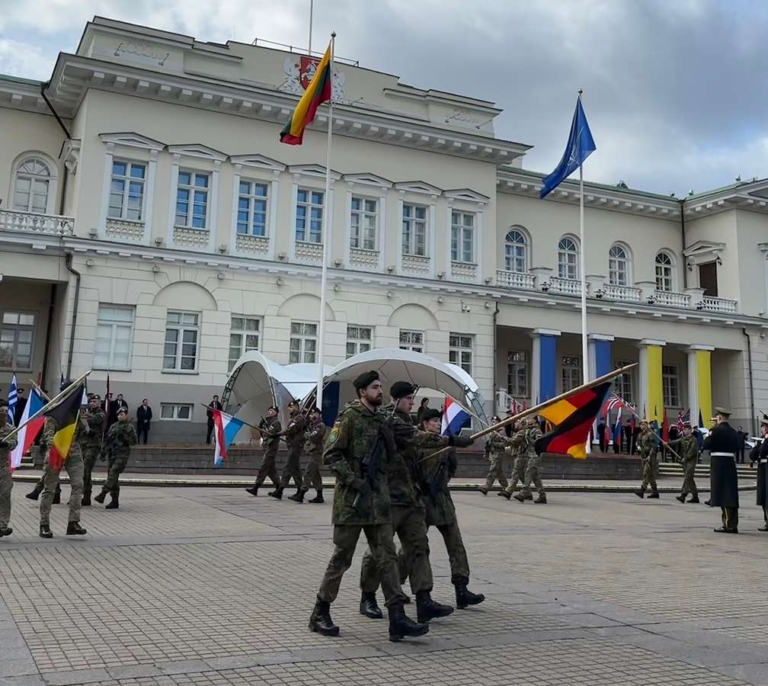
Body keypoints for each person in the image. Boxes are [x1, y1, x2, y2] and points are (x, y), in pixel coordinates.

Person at [310, 370, 428, 642]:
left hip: (379, 502)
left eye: (380, 386)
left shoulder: (382, 420)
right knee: (342, 558)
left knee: (386, 559)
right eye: (375, 387)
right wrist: (353, 480)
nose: (380, 391)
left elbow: (399, 448)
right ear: (362, 391)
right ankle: (320, 612)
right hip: (352, 503)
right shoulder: (348, 417)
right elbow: (331, 454)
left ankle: (397, 617)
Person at [359, 381, 464, 624]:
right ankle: (368, 596)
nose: (412, 402)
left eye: (412, 398)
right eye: (408, 399)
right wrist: (450, 441)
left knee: (419, 547)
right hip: (388, 497)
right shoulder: (386, 419)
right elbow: (417, 438)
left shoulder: (404, 420)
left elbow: (416, 451)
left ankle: (423, 600)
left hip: (411, 496)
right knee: (379, 552)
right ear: (395, 400)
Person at [417, 408, 485, 609]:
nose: (438, 424)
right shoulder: (419, 444)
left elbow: (451, 469)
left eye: (439, 421)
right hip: (421, 501)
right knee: (415, 548)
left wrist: (441, 482)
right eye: (434, 421)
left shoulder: (447, 446)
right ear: (424, 424)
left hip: (442, 501)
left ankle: (461, 589)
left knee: (456, 545)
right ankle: (406, 584)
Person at [39, 414, 87, 538]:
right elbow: (48, 433)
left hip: (74, 451)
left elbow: (82, 431)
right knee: (49, 488)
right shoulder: (57, 410)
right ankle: (44, 524)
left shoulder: (75, 410)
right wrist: (55, 448)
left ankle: (73, 522)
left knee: (78, 485)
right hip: (57, 450)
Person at [94, 406, 137, 510]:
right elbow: (108, 440)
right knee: (113, 478)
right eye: (118, 415)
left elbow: (134, 442)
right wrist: (103, 452)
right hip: (112, 454)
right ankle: (114, 501)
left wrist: (125, 437)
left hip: (122, 455)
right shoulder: (113, 426)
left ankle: (103, 493)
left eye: (122, 414)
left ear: (126, 415)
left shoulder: (129, 427)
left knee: (113, 472)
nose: (120, 416)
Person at [706, 407, 740, 533]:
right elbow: (737, 446)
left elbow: (706, 444)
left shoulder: (715, 430)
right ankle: (732, 523)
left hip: (718, 463)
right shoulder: (733, 432)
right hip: (730, 463)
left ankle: (728, 524)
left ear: (719, 418)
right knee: (730, 492)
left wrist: (709, 435)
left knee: (722, 493)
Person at [245, 406, 282, 498]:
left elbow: (272, 433)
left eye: (272, 410)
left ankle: (256, 487)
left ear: (276, 412)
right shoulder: (267, 421)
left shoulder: (276, 422)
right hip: (267, 446)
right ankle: (279, 488)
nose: (270, 412)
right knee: (271, 470)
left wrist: (266, 429)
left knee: (264, 467)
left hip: (272, 447)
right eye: (269, 410)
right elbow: (262, 434)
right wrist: (262, 426)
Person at [279, 400, 307, 502]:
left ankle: (280, 490)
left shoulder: (299, 418)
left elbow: (291, 430)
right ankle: (300, 490)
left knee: (288, 467)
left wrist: (278, 434)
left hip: (296, 446)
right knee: (296, 469)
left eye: (290, 407)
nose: (289, 409)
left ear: (295, 407)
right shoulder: (295, 418)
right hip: (293, 445)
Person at [80, 394, 105, 507]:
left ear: (99, 403)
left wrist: (86, 416)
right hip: (83, 445)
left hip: (93, 445)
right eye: (91, 401)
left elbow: (95, 420)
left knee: (86, 469)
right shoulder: (86, 412)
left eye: (95, 401)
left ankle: (86, 495)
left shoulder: (100, 413)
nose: (92, 403)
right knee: (80, 470)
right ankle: (80, 495)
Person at [668, 421, 700, 503]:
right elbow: (676, 442)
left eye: (686, 429)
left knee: (687, 477)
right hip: (684, 461)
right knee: (690, 479)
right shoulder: (683, 438)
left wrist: (685, 458)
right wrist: (667, 443)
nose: (685, 431)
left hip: (691, 461)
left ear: (690, 430)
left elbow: (692, 451)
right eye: (684, 429)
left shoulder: (694, 440)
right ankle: (695, 496)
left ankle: (683, 495)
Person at [0, 399, 18, 537]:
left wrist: (5, 444)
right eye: (1, 411)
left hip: (3, 467)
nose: (4, 414)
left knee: (5, 495)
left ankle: (2, 525)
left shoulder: (11, 428)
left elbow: (14, 443)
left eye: (6, 411)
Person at [301, 407, 326, 503]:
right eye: (311, 414)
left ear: (319, 415)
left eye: (315, 414)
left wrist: (309, 435)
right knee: (315, 475)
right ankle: (319, 496)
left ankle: (302, 493)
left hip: (317, 453)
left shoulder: (320, 426)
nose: (312, 416)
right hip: (313, 452)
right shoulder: (313, 426)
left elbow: (315, 437)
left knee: (308, 472)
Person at [479, 418, 509, 495]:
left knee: (492, 470)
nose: (493, 423)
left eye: (494, 422)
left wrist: (494, 444)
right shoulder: (492, 431)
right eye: (492, 421)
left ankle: (486, 487)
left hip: (499, 453)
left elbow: (505, 443)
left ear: (499, 422)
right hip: (493, 453)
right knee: (499, 472)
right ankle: (506, 487)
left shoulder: (501, 432)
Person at [634, 420, 660, 499]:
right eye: (641, 424)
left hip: (649, 457)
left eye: (644, 424)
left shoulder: (650, 434)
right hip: (643, 456)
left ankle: (642, 490)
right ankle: (655, 492)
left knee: (646, 473)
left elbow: (653, 447)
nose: (642, 426)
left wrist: (650, 456)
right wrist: (637, 446)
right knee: (650, 475)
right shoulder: (640, 435)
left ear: (647, 425)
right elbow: (637, 442)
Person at [754, 419, 768, 531]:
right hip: (762, 469)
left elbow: (763, 451)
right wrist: (756, 446)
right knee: (763, 495)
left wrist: (762, 443)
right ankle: (766, 520)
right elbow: (753, 455)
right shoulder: (762, 439)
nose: (763, 429)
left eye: (764, 427)